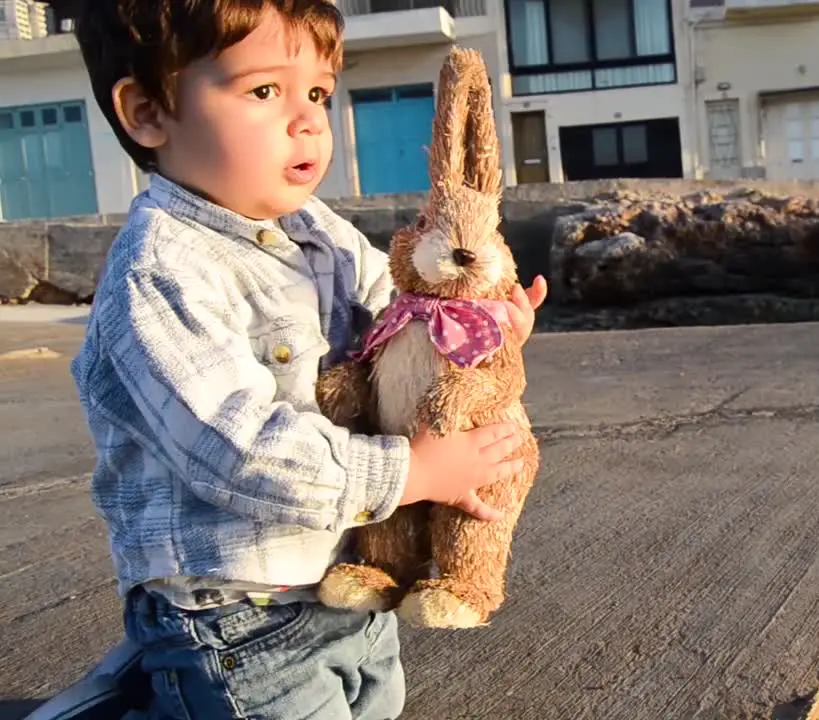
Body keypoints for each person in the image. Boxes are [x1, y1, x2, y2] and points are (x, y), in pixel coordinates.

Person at [67, 2, 547, 718]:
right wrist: (414, 472)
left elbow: (400, 318)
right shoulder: (160, 272)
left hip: (347, 579)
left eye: (318, 92)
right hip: (235, 617)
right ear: (147, 111)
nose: (309, 120)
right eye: (265, 91)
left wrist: (473, 320)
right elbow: (233, 447)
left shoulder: (313, 229)